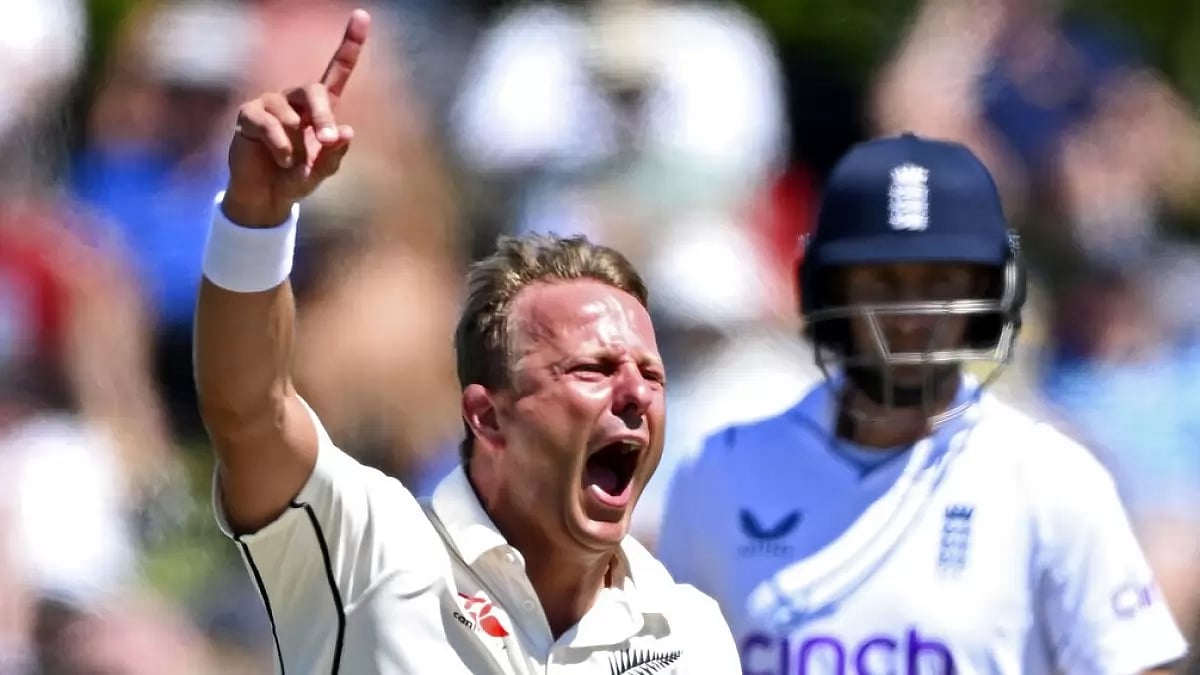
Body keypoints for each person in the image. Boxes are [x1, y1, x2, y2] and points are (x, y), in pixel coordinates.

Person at [193, 8, 738, 674]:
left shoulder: (690, 632)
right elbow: (248, 408)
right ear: (489, 414)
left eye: (649, 374)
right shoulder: (376, 551)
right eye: (591, 370)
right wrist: (257, 218)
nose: (632, 395)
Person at [657, 133, 1189, 674]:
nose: (910, 315)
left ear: (988, 295)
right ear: (828, 293)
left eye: (940, 280)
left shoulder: (1055, 481)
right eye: (882, 281)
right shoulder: (721, 472)